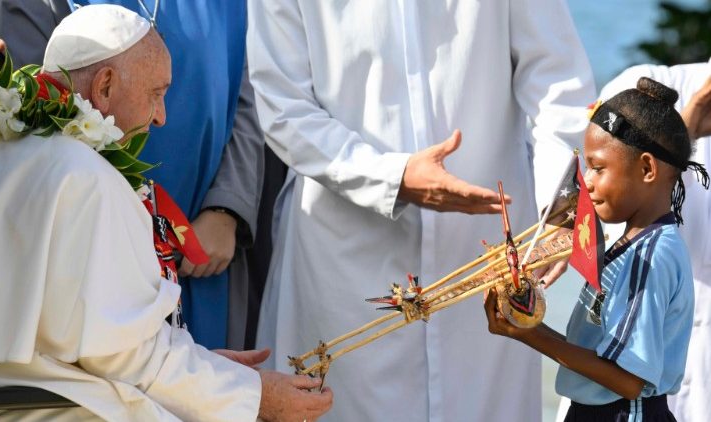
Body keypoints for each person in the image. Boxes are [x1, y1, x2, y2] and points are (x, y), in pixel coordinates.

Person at [0, 5, 332, 421]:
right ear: (104, 87)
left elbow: (93, 340)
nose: (161, 116)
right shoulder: (87, 177)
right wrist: (256, 394)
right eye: (156, 94)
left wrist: (207, 365)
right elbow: (134, 362)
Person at [247, 1, 596, 421]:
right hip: (342, 260)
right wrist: (393, 177)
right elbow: (284, 107)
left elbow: (557, 79)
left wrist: (560, 208)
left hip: (486, 253)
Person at [0, 0, 268, 350]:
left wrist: (228, 208)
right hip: (88, 241)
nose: (160, 116)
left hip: (203, 245)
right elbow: (30, 111)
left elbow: (246, 99)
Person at [486, 77, 707, 421]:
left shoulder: (650, 257)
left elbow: (630, 380)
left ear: (647, 168)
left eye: (598, 167)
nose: (586, 181)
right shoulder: (632, 244)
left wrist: (531, 335)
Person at [584, 61, 711, 422]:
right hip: (607, 400)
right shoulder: (650, 85)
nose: (588, 179)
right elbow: (602, 212)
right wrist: (689, 125)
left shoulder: (656, 251)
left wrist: (532, 337)